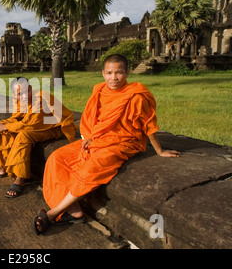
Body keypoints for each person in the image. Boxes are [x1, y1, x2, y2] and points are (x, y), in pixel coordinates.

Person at [33, 54, 181, 234]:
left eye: (118, 73)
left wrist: (159, 151)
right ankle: (74, 211)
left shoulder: (136, 95)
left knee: (92, 168)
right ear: (103, 73)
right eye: (109, 73)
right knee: (57, 157)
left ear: (127, 72)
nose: (113, 77)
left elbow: (149, 124)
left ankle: (52, 213)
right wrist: (87, 136)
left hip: (123, 142)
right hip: (97, 138)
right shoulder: (99, 90)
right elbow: (89, 117)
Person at [0, 77, 76, 198]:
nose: (24, 96)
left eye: (27, 91)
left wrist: (5, 127)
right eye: (19, 94)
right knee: (6, 127)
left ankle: (20, 178)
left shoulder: (41, 98)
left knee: (24, 135)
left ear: (31, 89)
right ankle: (1, 166)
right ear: (13, 95)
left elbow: (30, 124)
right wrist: (1, 125)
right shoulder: (18, 101)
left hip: (55, 127)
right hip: (36, 125)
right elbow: (17, 118)